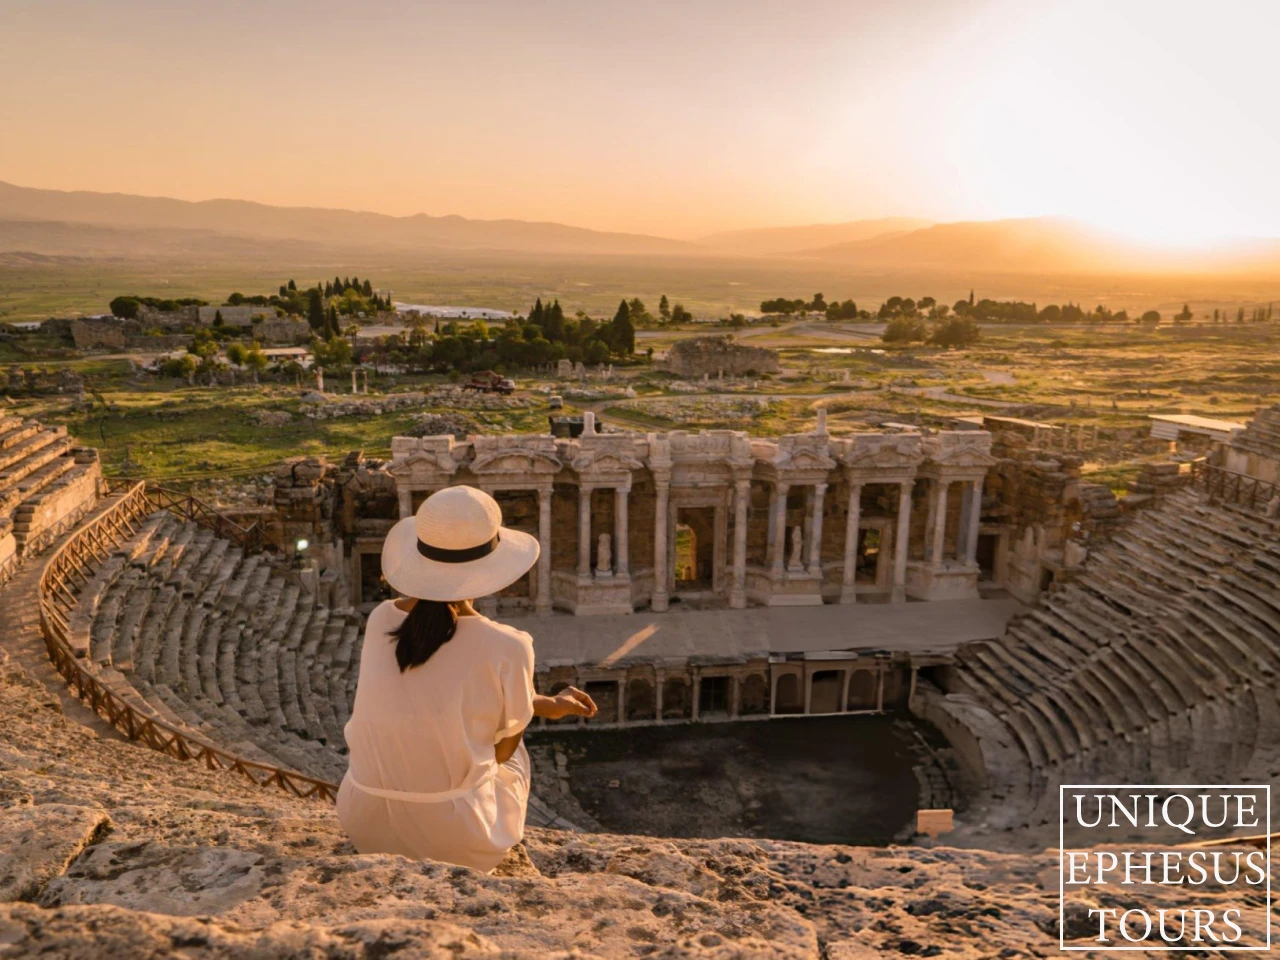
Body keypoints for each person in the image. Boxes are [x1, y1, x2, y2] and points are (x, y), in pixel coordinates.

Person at [337, 485, 597, 871]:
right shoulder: (509, 645)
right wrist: (528, 709)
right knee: (513, 754)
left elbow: (433, 693)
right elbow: (501, 752)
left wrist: (547, 703)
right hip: (455, 839)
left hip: (364, 820)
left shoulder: (380, 620)